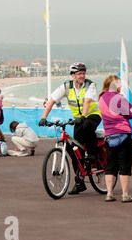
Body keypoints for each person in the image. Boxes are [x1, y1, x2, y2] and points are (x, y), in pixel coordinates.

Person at [38, 62, 102, 195]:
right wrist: (43, 118)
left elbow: (87, 102)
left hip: (92, 115)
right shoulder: (66, 86)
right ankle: (79, 183)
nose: (82, 76)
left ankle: (92, 153)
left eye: (83, 73)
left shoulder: (90, 85)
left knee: (87, 125)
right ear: (73, 75)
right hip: (78, 119)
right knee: (75, 152)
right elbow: (51, 101)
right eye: (79, 74)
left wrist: (83, 116)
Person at [99, 75, 132, 202]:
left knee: (110, 165)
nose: (121, 85)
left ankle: (109, 193)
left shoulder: (101, 98)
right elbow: (131, 113)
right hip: (123, 134)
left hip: (109, 136)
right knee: (124, 165)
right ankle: (125, 195)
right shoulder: (119, 98)